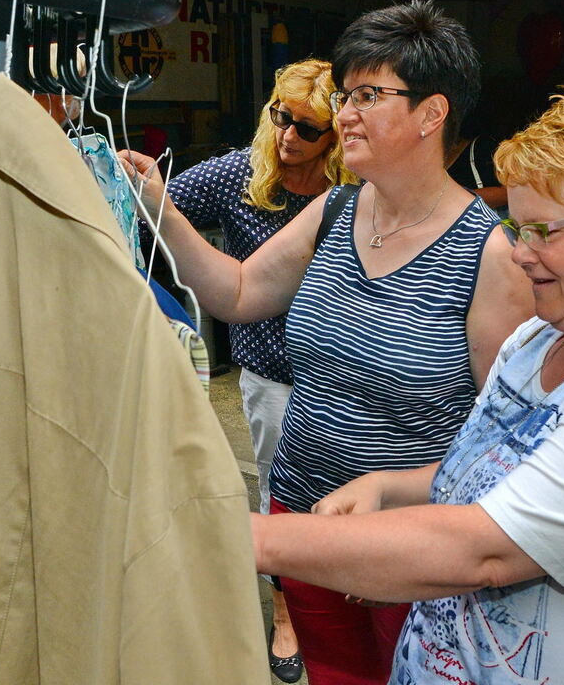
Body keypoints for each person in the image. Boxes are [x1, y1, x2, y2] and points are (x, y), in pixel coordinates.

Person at [249, 86, 564, 684]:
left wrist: (249, 538)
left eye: (544, 231)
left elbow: (483, 550)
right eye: (515, 225)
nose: (521, 251)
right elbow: (489, 475)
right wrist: (388, 490)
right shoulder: (534, 341)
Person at [121, 0, 533, 685]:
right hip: (304, 514)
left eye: (368, 96)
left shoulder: (486, 255)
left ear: (431, 114)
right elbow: (240, 293)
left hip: (413, 543)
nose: (344, 112)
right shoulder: (336, 210)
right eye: (345, 94)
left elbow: (500, 447)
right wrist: (157, 206)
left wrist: (392, 497)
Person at [160, 58, 355, 682]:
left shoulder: (353, 196)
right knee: (281, 499)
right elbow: (162, 209)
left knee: (348, 500)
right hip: (272, 373)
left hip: (344, 373)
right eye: (279, 117)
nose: (287, 136)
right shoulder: (241, 177)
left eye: (306, 127)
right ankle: (287, 614)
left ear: (336, 140)